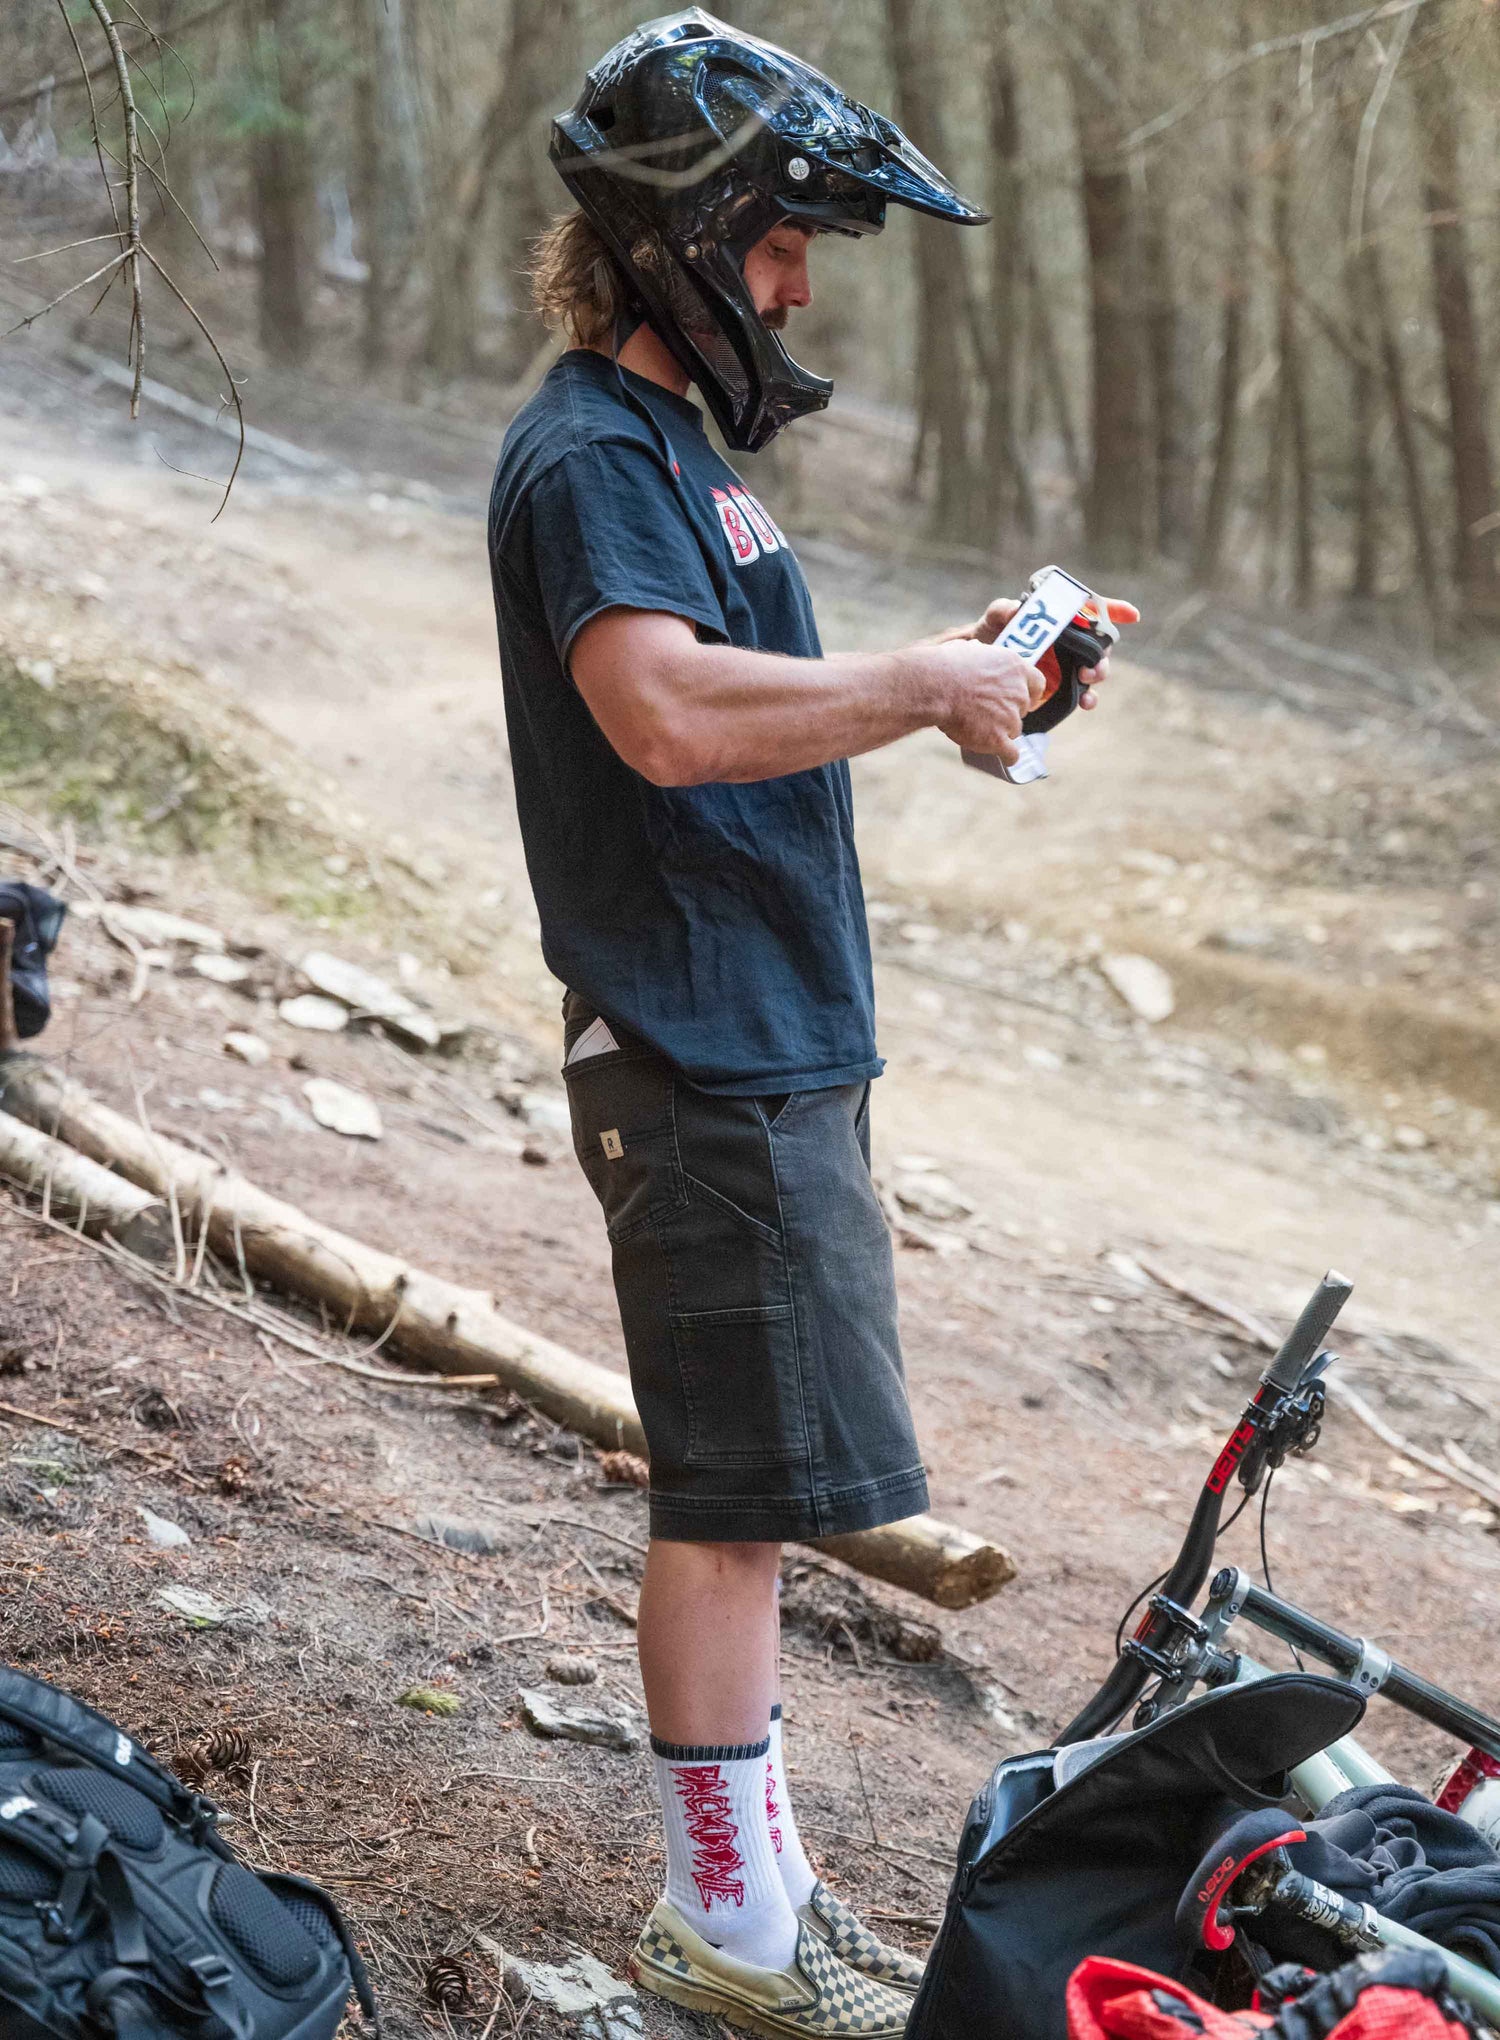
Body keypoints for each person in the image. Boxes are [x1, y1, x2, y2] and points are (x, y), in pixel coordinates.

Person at [486, 12, 1138, 2034]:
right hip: (696, 1049)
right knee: (728, 1501)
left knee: (753, 1498)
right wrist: (918, 681)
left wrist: (954, 683)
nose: (797, 285)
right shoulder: (594, 453)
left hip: (765, 1036)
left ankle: (758, 1900)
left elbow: (754, 707)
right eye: (784, 243)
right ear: (688, 236)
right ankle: (731, 1935)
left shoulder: (680, 457)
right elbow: (664, 715)